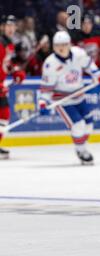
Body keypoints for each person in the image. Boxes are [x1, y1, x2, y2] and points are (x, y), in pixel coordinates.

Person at [38, 31, 100, 165]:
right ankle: (81, 150)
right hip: (62, 100)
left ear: (69, 44)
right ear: (53, 46)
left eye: (64, 44)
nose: (61, 48)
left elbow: (89, 65)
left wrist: (97, 73)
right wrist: (43, 103)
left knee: (89, 124)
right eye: (58, 45)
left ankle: (81, 144)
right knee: (78, 125)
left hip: (79, 95)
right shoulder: (50, 64)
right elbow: (46, 89)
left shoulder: (78, 53)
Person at [0, 15, 26, 159]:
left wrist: (15, 70)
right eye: (7, 25)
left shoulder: (8, 44)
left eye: (13, 26)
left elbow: (6, 64)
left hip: (1, 88)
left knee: (4, 116)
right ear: (2, 27)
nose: (10, 29)